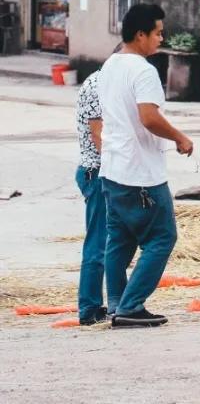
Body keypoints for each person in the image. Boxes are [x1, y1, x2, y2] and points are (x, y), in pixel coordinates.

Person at [97, 4, 194, 328]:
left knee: (120, 240)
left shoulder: (110, 65)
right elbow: (149, 117)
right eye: (158, 33)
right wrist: (180, 137)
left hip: (112, 169)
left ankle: (116, 306)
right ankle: (132, 305)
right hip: (140, 172)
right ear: (141, 35)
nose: (160, 38)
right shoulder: (143, 70)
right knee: (162, 237)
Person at [74, 68, 107, 325]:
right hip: (96, 172)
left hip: (97, 171)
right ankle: (88, 308)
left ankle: (98, 304)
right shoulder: (97, 85)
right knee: (97, 242)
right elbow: (99, 136)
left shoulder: (103, 81)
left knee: (106, 241)